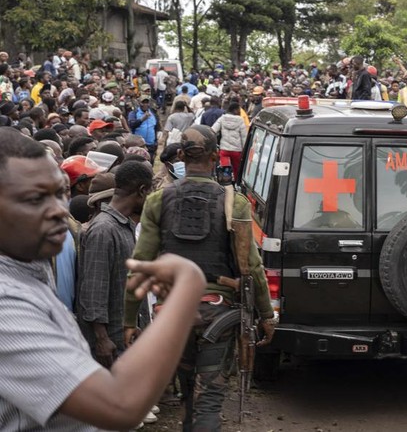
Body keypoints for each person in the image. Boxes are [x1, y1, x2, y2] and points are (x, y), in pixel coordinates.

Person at [0, 127, 207, 430]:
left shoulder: (32, 267)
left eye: (61, 193)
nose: (58, 210)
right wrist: (188, 287)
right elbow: (121, 404)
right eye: (34, 199)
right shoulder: (6, 306)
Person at [123, 126, 276, 430]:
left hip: (172, 315)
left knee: (189, 393)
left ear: (180, 155)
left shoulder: (157, 201)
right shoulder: (236, 204)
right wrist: (266, 315)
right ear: (216, 156)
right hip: (217, 313)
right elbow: (252, 268)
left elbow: (140, 265)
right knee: (209, 399)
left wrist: (129, 320)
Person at [78, 161, 153, 369]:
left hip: (125, 339)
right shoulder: (104, 230)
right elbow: (93, 291)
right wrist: (102, 339)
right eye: (150, 192)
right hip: (111, 343)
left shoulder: (124, 226)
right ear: (141, 191)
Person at [212, 102, 248, 177]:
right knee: (237, 170)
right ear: (234, 110)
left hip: (224, 150)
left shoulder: (222, 118)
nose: (239, 111)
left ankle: (226, 184)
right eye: (239, 110)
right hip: (237, 151)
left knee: (225, 169)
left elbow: (213, 130)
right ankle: (236, 184)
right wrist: (244, 151)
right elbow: (244, 137)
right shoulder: (240, 120)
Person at [127, 95, 160, 160]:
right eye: (143, 102)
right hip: (138, 146)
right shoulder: (134, 113)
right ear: (139, 103)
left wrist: (156, 143)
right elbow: (131, 124)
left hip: (151, 145)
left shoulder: (153, 113)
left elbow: (155, 128)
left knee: (150, 164)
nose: (145, 104)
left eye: (147, 103)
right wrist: (142, 119)